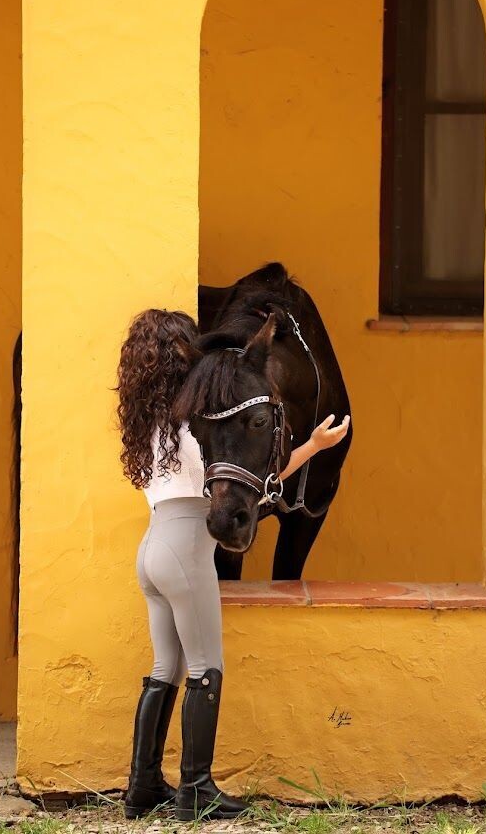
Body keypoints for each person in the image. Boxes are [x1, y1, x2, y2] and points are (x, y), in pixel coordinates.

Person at [116, 309, 350, 821]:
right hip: (186, 550)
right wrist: (314, 446)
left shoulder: (150, 421)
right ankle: (196, 787)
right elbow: (247, 470)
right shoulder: (200, 419)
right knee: (205, 669)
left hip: (153, 547)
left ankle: (142, 784)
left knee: (164, 668)